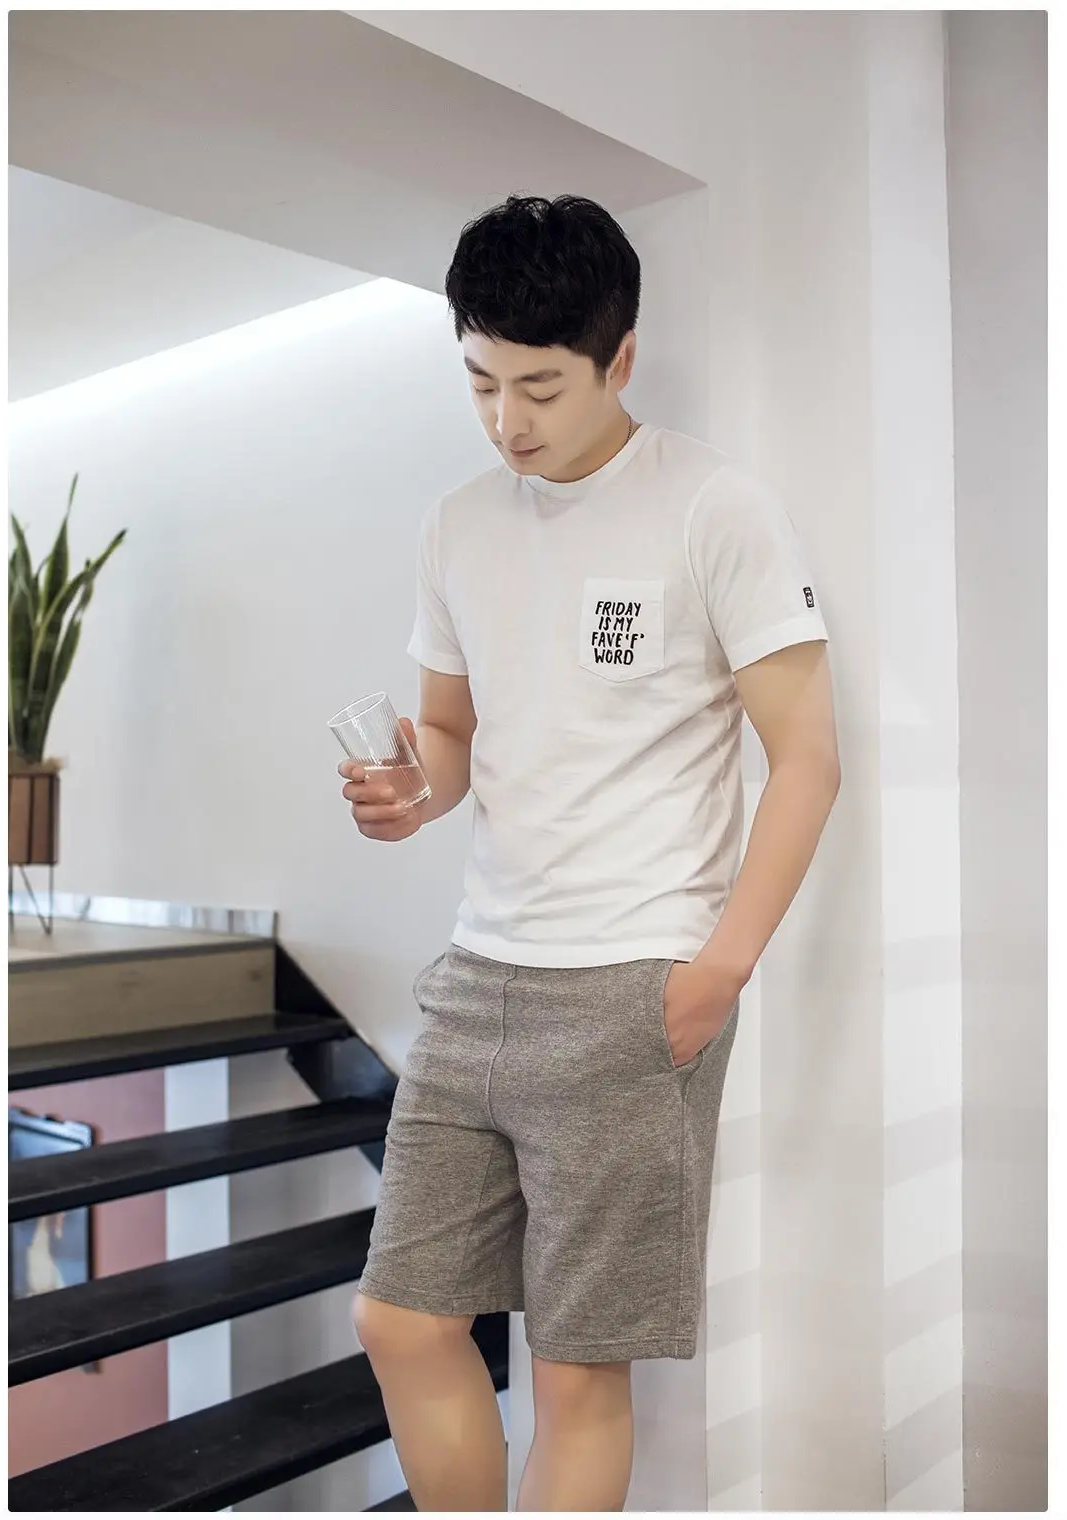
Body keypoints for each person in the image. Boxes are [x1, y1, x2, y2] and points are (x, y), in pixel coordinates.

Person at [339, 194, 841, 1512]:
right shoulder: (457, 524)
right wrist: (412, 794)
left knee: (575, 1371)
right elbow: (452, 735)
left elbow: (807, 758)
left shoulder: (715, 507)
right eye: (481, 382)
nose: (507, 420)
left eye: (541, 387)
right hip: (478, 977)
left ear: (620, 359)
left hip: (635, 984)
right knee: (400, 1319)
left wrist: (717, 971)